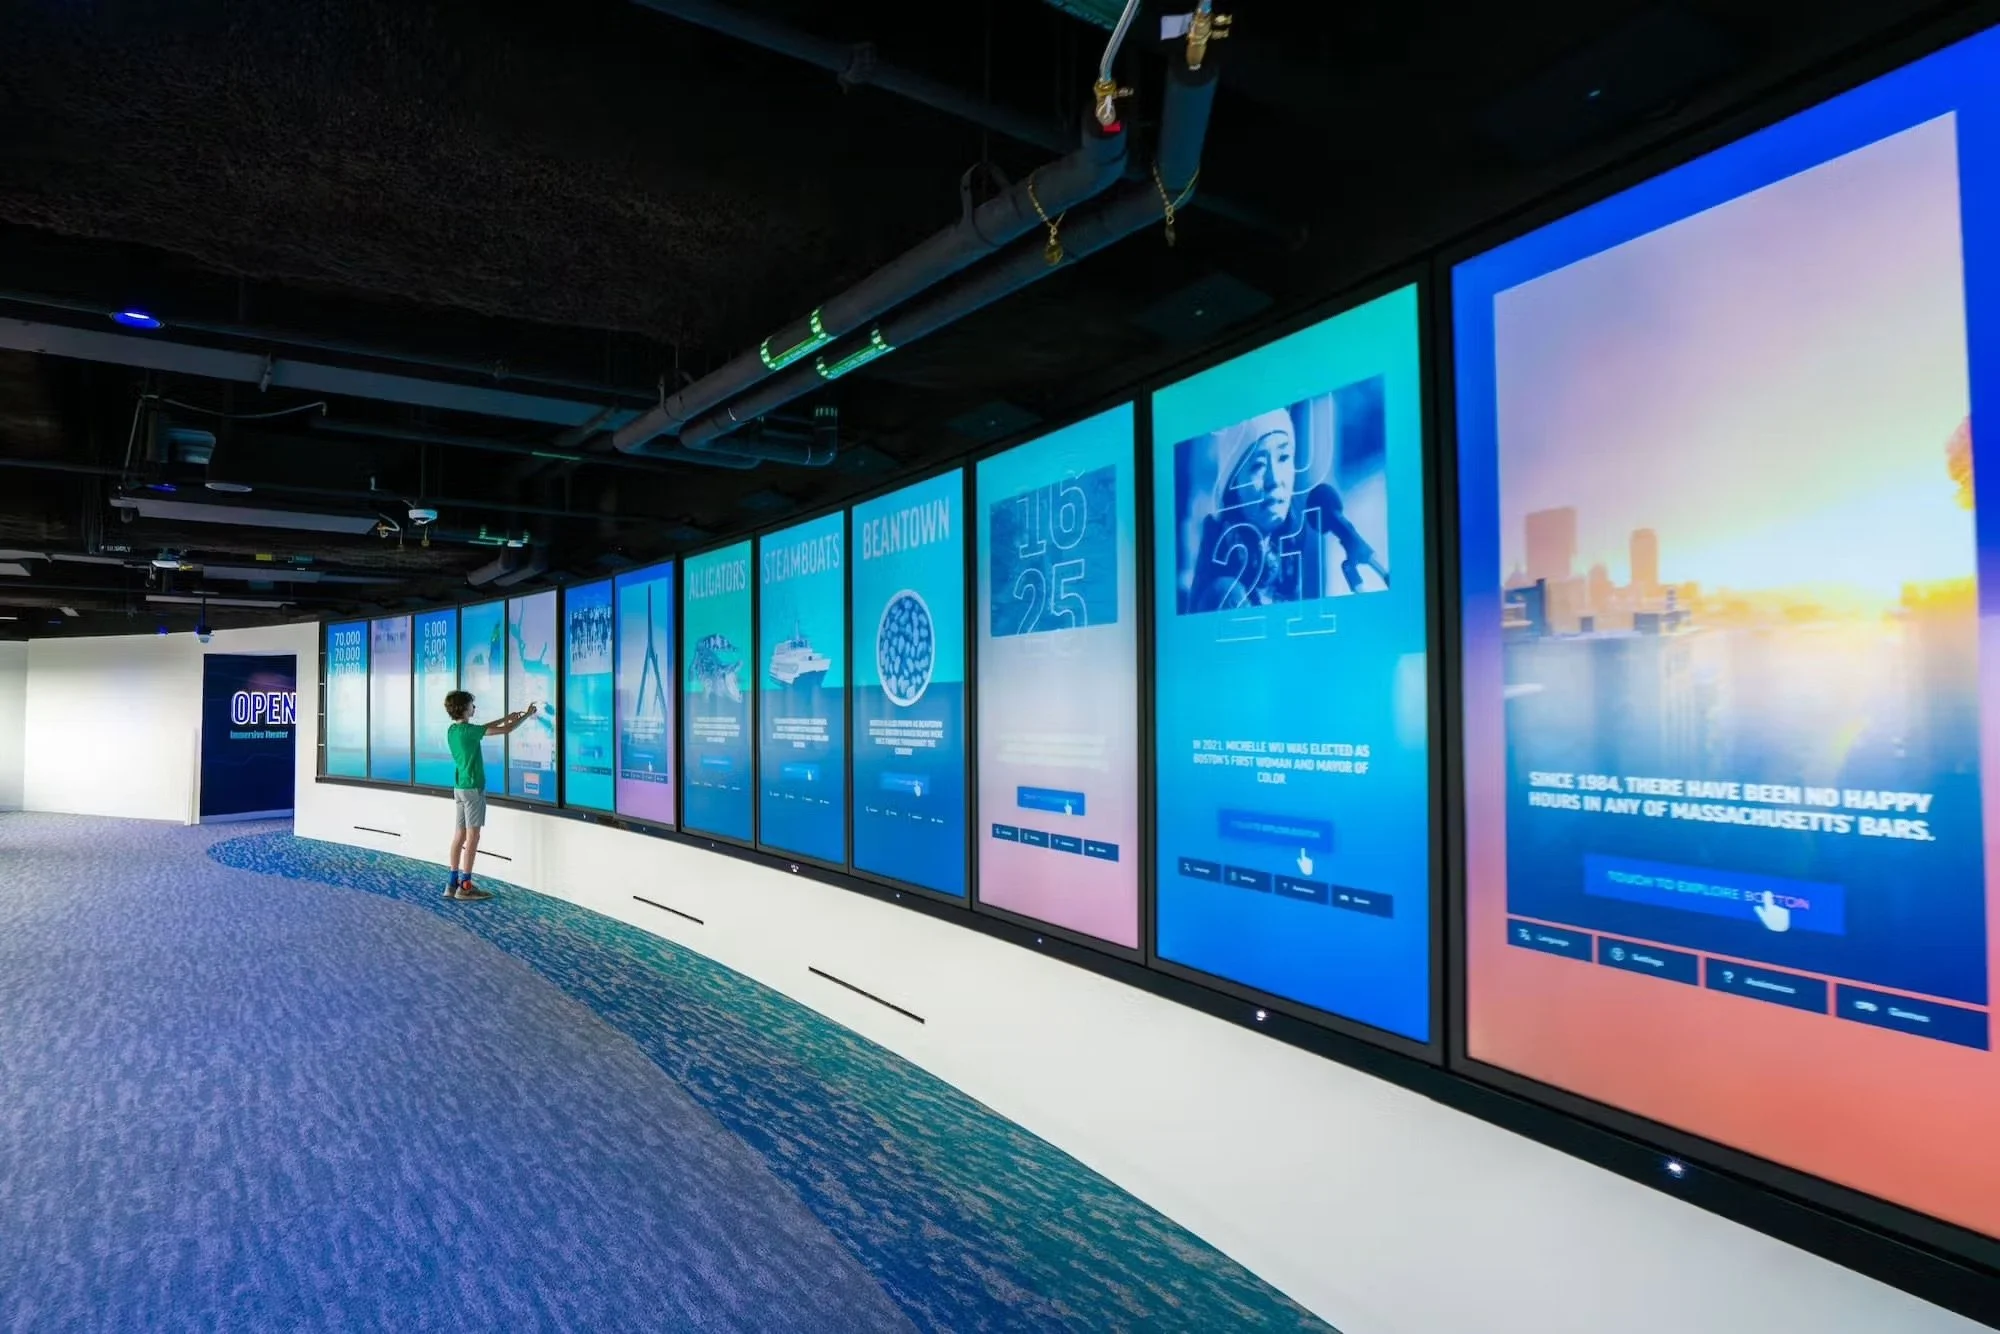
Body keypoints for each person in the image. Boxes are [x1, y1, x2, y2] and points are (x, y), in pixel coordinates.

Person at [1188, 407, 1387, 613]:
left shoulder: (1288, 567)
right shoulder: (1226, 595)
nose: (1274, 480)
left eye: (1283, 458)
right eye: (1257, 466)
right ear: (1233, 488)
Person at [442, 690, 536, 901]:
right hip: (474, 789)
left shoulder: (453, 730)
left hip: (459, 788)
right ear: (465, 709)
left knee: (459, 836)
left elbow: (483, 728)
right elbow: (508, 730)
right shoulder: (469, 731)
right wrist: (527, 715)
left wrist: (506, 717)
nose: (474, 708)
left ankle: (452, 882)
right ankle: (465, 885)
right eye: (472, 705)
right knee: (473, 836)